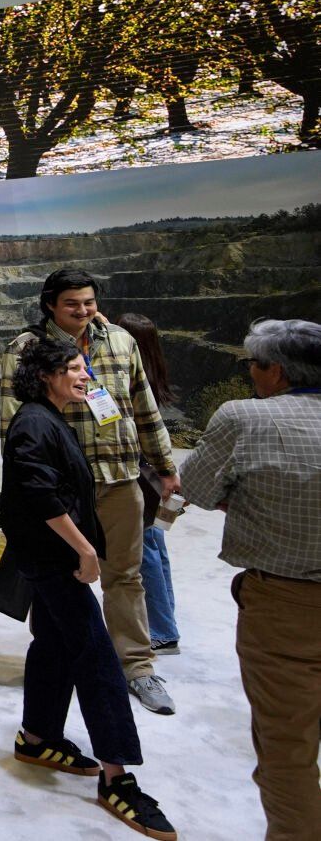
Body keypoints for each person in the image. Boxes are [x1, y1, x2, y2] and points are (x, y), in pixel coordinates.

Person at [3, 336, 178, 840]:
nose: (85, 376)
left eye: (85, 367)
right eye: (74, 369)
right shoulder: (35, 423)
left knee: (55, 645)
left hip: (49, 559)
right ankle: (117, 777)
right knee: (99, 660)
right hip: (53, 561)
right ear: (45, 376)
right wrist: (83, 550)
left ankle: (36, 737)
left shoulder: (49, 417)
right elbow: (39, 493)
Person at [0, 268, 181, 716]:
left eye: (89, 302)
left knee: (126, 576)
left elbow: (144, 407)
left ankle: (137, 668)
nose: (83, 311)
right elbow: (13, 423)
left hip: (120, 479)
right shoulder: (25, 350)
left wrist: (165, 467)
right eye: (71, 304)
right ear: (49, 305)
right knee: (56, 580)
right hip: (63, 489)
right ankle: (58, 659)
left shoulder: (121, 341)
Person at [181, 318, 321, 841]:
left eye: (252, 364)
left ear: (276, 371)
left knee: (288, 750)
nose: (250, 374)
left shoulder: (244, 418)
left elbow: (195, 486)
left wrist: (240, 493)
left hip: (287, 605)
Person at [116, 312, 181, 655]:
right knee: (156, 546)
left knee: (145, 553)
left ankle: (161, 629)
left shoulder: (131, 376)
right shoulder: (152, 374)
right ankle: (166, 618)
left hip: (139, 472)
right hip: (152, 472)